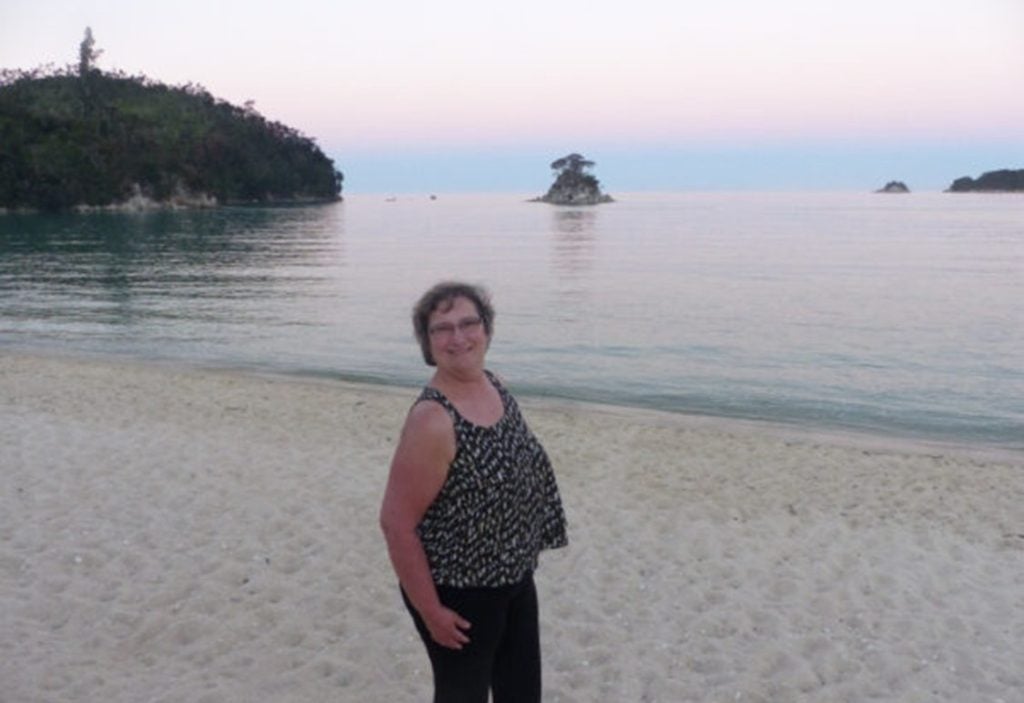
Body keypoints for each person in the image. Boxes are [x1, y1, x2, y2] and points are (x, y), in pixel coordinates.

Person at [380, 281, 568, 703]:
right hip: (458, 592)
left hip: (515, 576)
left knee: (520, 693)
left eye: (469, 323)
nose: (458, 337)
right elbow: (396, 523)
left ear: (487, 329)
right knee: (461, 695)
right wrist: (430, 611)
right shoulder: (433, 420)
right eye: (442, 329)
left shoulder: (495, 384)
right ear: (427, 343)